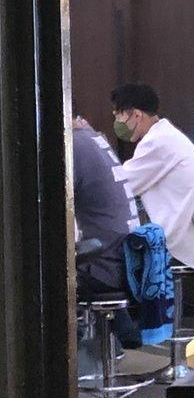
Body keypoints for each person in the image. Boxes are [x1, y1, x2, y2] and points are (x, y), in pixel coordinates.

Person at [110, 83, 194, 271]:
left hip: (179, 248)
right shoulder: (164, 136)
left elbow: (120, 185)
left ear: (136, 115)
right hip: (185, 238)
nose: (118, 122)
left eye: (118, 115)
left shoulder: (158, 142)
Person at [72, 114, 141, 349]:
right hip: (126, 260)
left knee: (34, 277)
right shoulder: (91, 139)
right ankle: (118, 332)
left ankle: (59, 367)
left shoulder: (71, 146)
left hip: (106, 267)